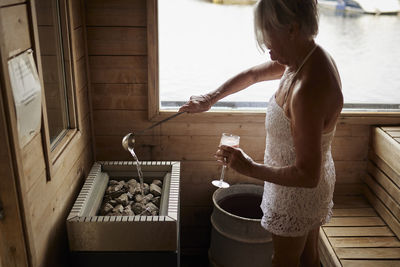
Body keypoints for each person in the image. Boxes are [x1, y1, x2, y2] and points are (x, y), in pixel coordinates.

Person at [179, 0, 343, 266]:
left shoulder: (308, 89)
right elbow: (254, 75)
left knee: (283, 261)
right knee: (309, 258)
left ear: (292, 28)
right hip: (306, 180)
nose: (269, 53)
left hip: (297, 191)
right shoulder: (303, 57)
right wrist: (210, 98)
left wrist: (249, 167)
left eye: (270, 40)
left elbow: (307, 175)